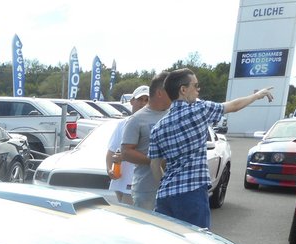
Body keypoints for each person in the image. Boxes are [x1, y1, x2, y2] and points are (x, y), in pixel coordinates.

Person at [149, 68, 273, 228]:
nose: (198, 90)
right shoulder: (199, 110)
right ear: (183, 90)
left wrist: (165, 185)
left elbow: (154, 165)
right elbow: (234, 106)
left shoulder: (158, 127)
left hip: (165, 197)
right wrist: (256, 95)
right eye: (195, 85)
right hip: (192, 193)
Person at [120, 71, 171, 211]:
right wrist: (154, 161)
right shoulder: (137, 119)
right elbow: (126, 152)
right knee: (147, 230)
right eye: (171, 91)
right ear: (160, 92)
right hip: (146, 190)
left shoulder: (175, 114)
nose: (175, 95)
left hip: (173, 188)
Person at [106, 84, 150, 205]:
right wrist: (109, 170)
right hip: (120, 182)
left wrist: (126, 155)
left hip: (137, 184)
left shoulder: (152, 125)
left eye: (147, 100)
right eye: (140, 99)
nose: (143, 103)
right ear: (132, 101)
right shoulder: (122, 124)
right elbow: (111, 151)